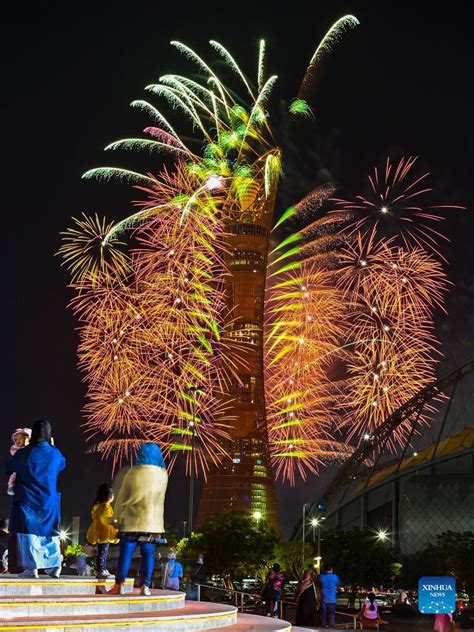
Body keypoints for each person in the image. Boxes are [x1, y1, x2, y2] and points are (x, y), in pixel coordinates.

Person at [6, 420, 66, 578]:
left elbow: (9, 467)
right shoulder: (55, 453)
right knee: (50, 532)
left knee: (28, 534)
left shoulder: (24, 453)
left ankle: (31, 568)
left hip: (28, 499)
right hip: (49, 501)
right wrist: (52, 448)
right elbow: (62, 465)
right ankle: (55, 566)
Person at [109, 442, 168, 596]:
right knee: (148, 555)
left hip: (131, 522)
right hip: (152, 524)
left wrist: (115, 518)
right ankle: (145, 587)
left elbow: (122, 498)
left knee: (126, 554)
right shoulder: (163, 475)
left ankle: (119, 585)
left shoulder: (134, 472)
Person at [86, 482, 119, 579]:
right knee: (103, 552)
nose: (113, 495)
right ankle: (100, 570)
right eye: (111, 493)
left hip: (102, 532)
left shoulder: (101, 506)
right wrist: (114, 522)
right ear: (107, 495)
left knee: (103, 552)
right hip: (104, 532)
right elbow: (105, 518)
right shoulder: (105, 506)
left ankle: (102, 569)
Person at [7, 428, 31, 495]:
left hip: (28, 470)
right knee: (14, 475)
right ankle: (11, 486)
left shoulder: (32, 449)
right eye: (16, 439)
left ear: (27, 438)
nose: (17, 441)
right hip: (19, 469)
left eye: (20, 438)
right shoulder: (16, 449)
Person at [318, 563, 341, 627]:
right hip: (332, 600)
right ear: (331, 569)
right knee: (331, 614)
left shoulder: (321, 576)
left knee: (323, 614)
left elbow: (319, 585)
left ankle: (322, 626)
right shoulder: (335, 576)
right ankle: (331, 626)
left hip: (323, 599)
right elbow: (338, 584)